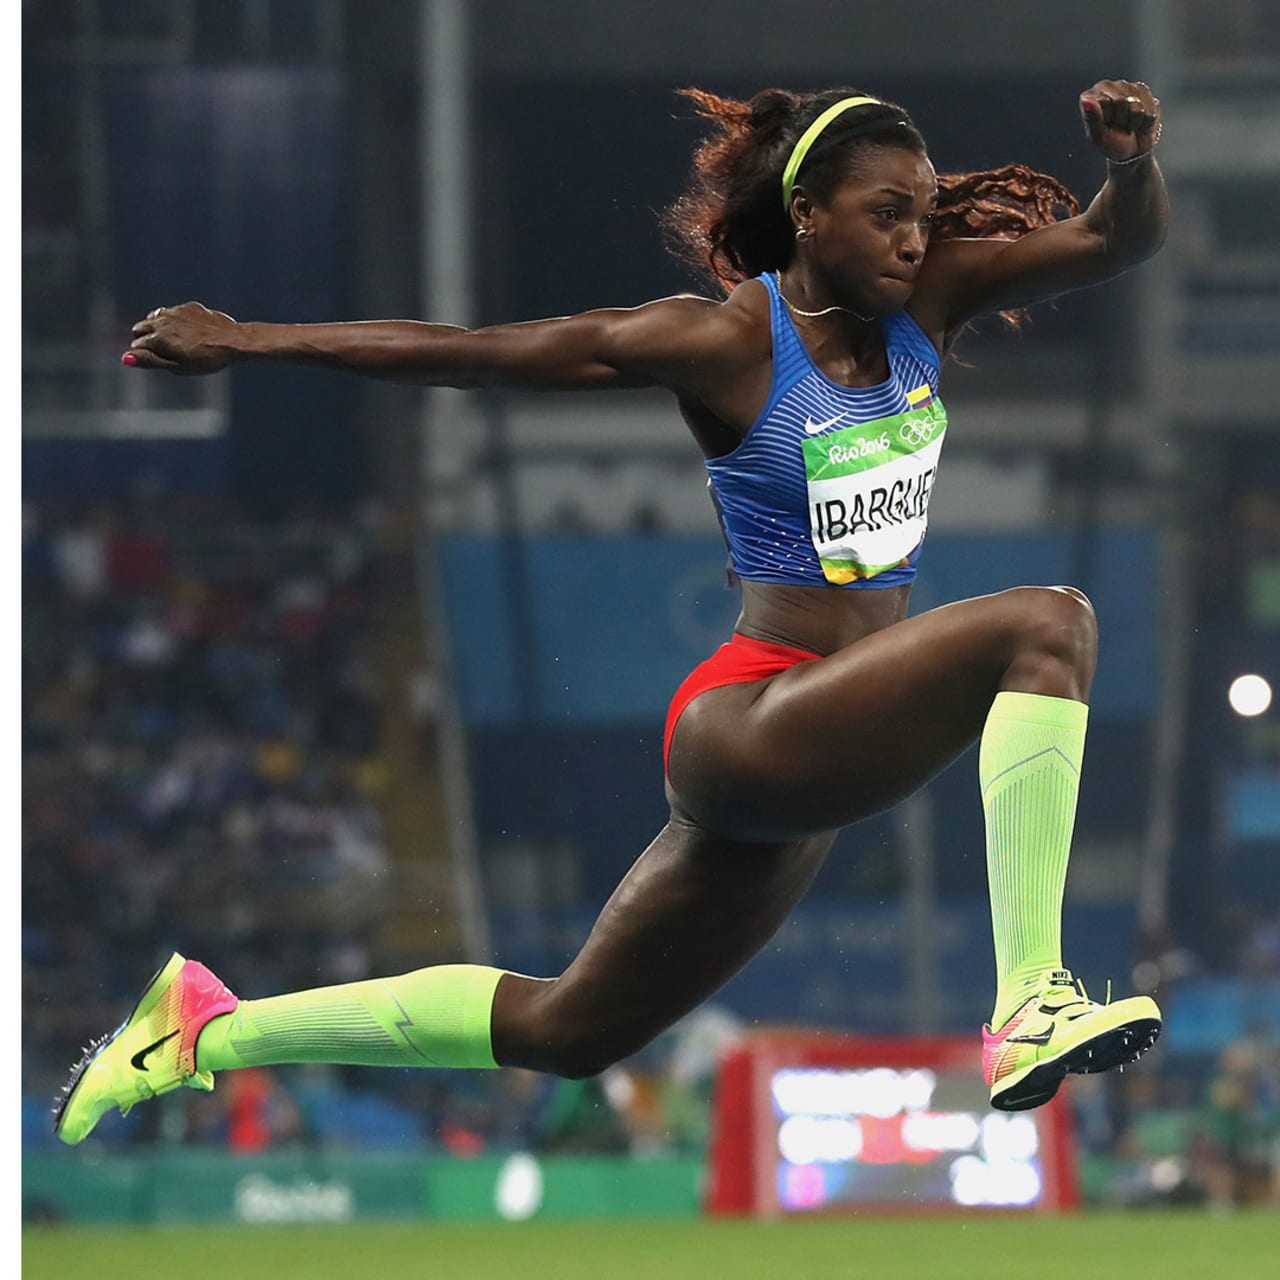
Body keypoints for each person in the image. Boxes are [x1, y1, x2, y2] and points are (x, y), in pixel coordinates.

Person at [56, 79, 1169, 1143]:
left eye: (923, 217)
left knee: (570, 1027)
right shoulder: (726, 342)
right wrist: (251, 339)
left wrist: (1131, 163)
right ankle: (1029, 994)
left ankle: (201, 1027)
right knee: (1046, 622)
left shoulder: (928, 300)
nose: (914, 241)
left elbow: (1117, 239)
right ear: (806, 215)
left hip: (813, 748)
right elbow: (480, 357)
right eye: (886, 215)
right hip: (751, 717)